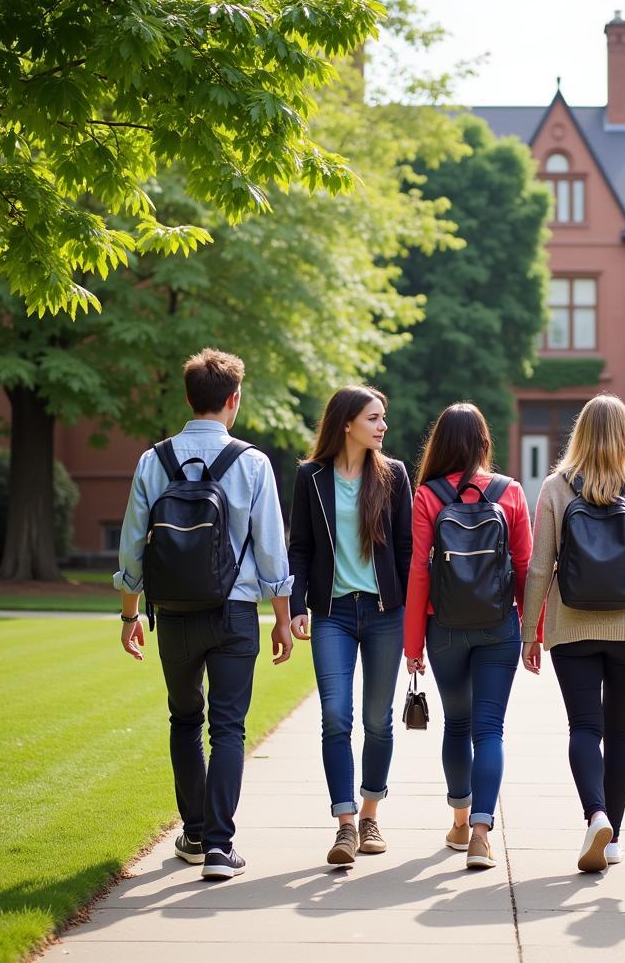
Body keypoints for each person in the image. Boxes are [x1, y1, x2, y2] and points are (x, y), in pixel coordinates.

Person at [115, 348, 295, 881]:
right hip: (235, 613)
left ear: (189, 397)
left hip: (172, 613)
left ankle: (193, 834)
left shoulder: (154, 460)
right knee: (229, 728)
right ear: (233, 400)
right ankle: (219, 847)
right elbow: (271, 550)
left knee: (185, 720)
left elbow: (131, 547)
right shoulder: (252, 462)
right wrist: (283, 617)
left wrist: (129, 616)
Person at [521, 394, 625, 873]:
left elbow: (539, 567)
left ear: (579, 433)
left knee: (584, 728)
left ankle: (596, 814)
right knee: (621, 730)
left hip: (572, 627)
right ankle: (612, 841)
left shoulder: (556, 486)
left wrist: (530, 631)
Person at [288, 386, 412, 867]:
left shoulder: (395, 475)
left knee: (378, 720)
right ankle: (344, 826)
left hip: (384, 615)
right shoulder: (310, 477)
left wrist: (408, 612)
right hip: (332, 614)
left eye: (383, 418)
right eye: (374, 418)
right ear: (346, 423)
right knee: (336, 716)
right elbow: (300, 547)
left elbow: (404, 550)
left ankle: (369, 814)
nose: (382, 426)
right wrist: (297, 603)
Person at [405, 403, 532, 870]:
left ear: (439, 444)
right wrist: (532, 630)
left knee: (457, 724)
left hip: (445, 628)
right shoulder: (510, 492)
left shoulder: (428, 496)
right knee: (490, 729)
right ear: (484, 443)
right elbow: (526, 568)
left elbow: (419, 571)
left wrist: (412, 642)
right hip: (500, 626)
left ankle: (459, 822)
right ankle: (481, 833)